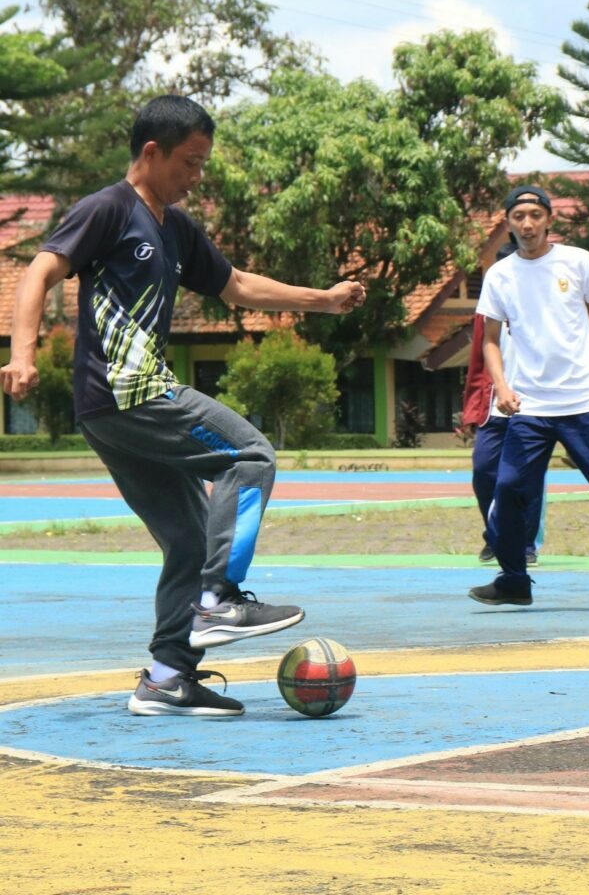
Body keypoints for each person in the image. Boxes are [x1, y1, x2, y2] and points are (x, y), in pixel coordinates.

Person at [0, 95, 366, 718]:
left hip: (110, 413)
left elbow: (238, 285)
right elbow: (39, 272)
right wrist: (25, 353)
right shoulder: (109, 209)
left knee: (188, 537)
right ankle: (217, 601)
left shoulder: (176, 228)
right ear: (152, 152)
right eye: (189, 164)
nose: (196, 178)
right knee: (249, 456)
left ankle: (167, 677)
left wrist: (323, 299)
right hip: (130, 390)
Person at [467, 184, 589, 613]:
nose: (527, 223)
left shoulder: (577, 262)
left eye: (535, 215)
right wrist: (501, 387)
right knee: (507, 490)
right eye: (518, 217)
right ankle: (514, 580)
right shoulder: (499, 276)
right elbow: (491, 342)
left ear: (549, 220)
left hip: (586, 402)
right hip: (531, 408)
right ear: (508, 224)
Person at [461, 241, 544, 565]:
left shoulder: (540, 306)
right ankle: (495, 534)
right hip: (494, 404)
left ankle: (524, 544)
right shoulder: (486, 311)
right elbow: (477, 361)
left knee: (528, 478)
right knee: (484, 470)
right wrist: (471, 407)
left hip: (533, 404)